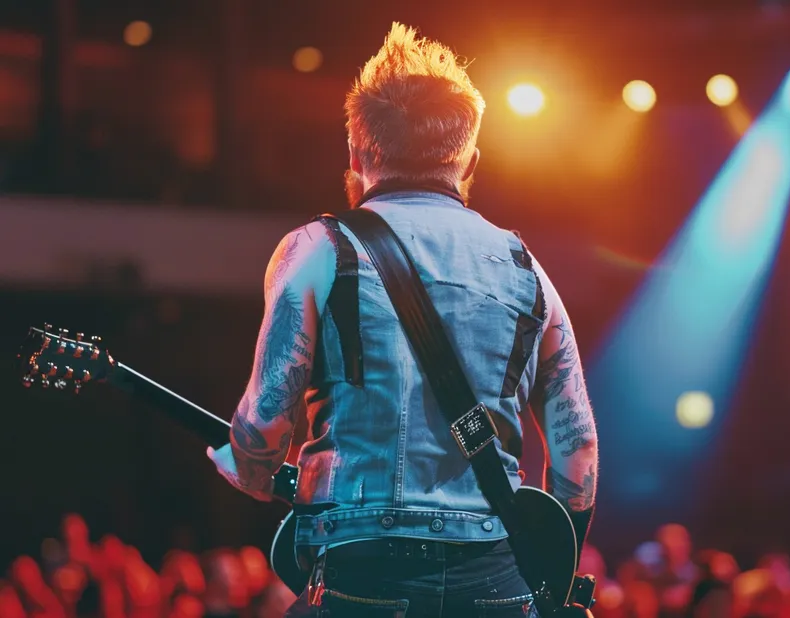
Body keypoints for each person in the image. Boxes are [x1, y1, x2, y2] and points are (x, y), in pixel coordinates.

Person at [206, 22, 599, 617]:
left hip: (363, 576)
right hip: (500, 582)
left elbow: (262, 429)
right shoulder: (527, 269)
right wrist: (549, 566)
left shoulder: (317, 250)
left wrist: (247, 465)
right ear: (469, 157)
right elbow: (579, 455)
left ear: (357, 153)